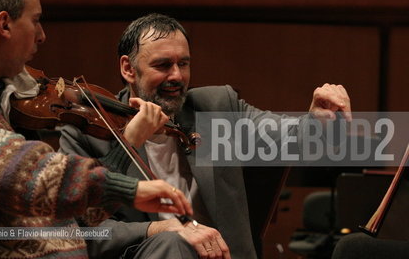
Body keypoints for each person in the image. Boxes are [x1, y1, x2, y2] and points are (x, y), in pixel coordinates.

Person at [0, 0, 194, 259]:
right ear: (4, 25)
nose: (41, 35)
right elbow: (22, 172)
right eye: (36, 20)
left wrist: (125, 148)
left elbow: (78, 215)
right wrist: (131, 190)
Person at [59, 13, 352, 259]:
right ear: (128, 69)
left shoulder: (216, 106)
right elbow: (84, 229)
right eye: (163, 65)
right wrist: (160, 228)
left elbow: (290, 138)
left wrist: (317, 122)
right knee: (174, 243)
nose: (176, 76)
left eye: (183, 64)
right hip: (158, 253)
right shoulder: (87, 131)